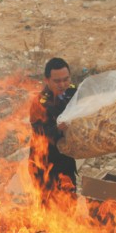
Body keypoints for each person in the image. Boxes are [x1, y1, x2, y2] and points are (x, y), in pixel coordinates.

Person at [28, 57, 78, 204]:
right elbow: (40, 136)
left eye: (66, 79)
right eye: (57, 81)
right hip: (44, 164)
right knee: (51, 213)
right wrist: (58, 129)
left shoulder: (73, 92)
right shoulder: (39, 104)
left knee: (69, 205)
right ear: (47, 80)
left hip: (66, 160)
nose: (62, 85)